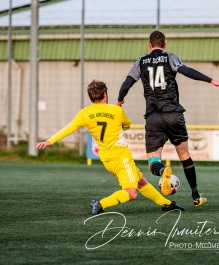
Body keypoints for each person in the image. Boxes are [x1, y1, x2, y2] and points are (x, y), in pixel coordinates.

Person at [36, 80, 184, 214]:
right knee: (131, 193)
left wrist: (49, 141)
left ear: (91, 97)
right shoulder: (116, 111)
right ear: (105, 94)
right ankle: (101, 204)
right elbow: (127, 125)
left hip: (107, 160)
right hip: (121, 158)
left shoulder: (84, 113)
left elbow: (68, 128)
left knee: (141, 180)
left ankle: (167, 204)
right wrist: (117, 111)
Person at [116, 30, 219, 207]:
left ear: (149, 46)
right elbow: (187, 71)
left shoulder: (141, 62)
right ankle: (196, 196)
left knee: (153, 162)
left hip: (153, 117)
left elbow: (126, 84)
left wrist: (120, 100)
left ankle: (163, 170)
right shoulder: (170, 58)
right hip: (174, 114)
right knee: (184, 155)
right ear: (164, 45)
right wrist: (213, 81)